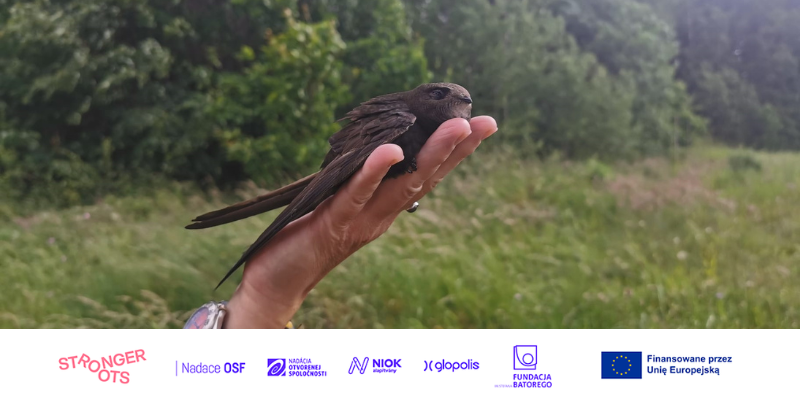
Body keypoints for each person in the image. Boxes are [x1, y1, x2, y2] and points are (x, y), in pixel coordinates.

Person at [190, 116, 497, 328]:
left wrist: (264, 297)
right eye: (441, 95)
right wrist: (262, 295)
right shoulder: (402, 117)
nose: (461, 102)